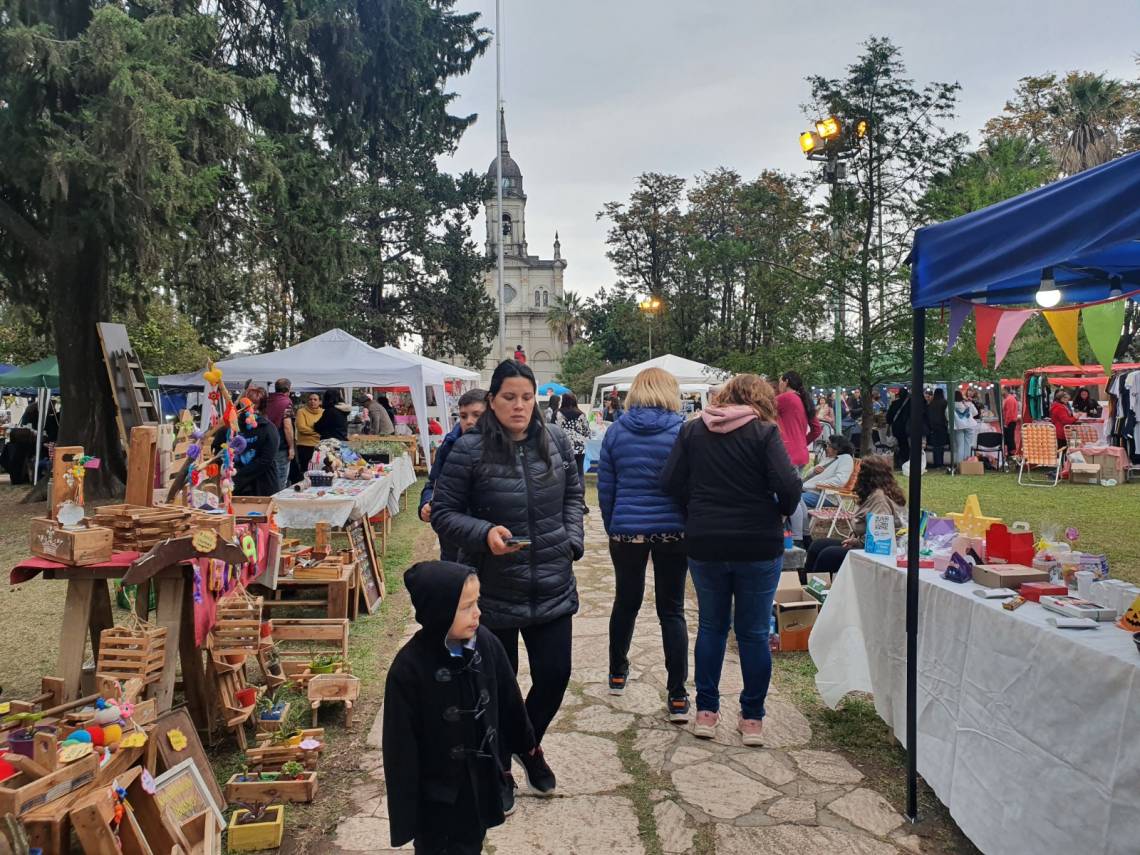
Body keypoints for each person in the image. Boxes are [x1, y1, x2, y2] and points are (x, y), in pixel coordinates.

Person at [431, 360, 583, 798]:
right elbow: (443, 513)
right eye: (509, 397)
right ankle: (500, 768)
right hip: (492, 589)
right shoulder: (468, 449)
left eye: (526, 397)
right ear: (493, 400)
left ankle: (527, 747)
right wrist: (484, 533)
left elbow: (574, 497)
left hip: (553, 582)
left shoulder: (554, 440)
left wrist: (571, 541)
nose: (519, 406)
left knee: (554, 675)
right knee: (498, 687)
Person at [662, 374, 801, 746]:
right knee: (753, 633)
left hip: (706, 540)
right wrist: (780, 511)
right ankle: (752, 717)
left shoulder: (693, 432)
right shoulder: (764, 433)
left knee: (711, 627)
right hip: (757, 542)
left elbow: (671, 481)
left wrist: (695, 509)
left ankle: (706, 711)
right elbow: (789, 485)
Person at [383, 561, 535, 853]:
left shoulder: (486, 644)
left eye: (476, 602)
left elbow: (509, 698)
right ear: (438, 609)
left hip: (478, 782)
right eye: (466, 606)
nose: (477, 612)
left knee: (471, 842)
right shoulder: (408, 669)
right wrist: (406, 814)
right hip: (435, 797)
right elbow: (398, 747)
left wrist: (526, 746)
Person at [597, 368, 689, 721]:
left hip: (627, 531)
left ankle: (617, 670)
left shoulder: (616, 432)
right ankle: (678, 694)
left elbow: (607, 488)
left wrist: (613, 526)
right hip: (672, 531)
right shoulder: (683, 431)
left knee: (626, 601)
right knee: (672, 610)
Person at [801, 456, 907, 581]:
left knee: (828, 555)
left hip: (880, 551)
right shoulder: (872, 494)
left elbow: (880, 536)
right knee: (818, 545)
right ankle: (803, 586)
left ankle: (819, 589)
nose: (855, 475)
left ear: (867, 476)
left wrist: (858, 542)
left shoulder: (880, 500)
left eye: (859, 472)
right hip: (866, 544)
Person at [419, 389, 487, 560]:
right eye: (463, 416)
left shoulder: (503, 449)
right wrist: (426, 504)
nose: (469, 421)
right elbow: (432, 484)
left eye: (477, 415)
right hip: (452, 538)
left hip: (486, 538)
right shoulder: (448, 445)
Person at [222, 386, 281, 496]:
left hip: (263, 485)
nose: (249, 407)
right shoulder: (234, 426)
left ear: (261, 406)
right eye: (246, 403)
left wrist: (239, 475)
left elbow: (266, 459)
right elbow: (220, 448)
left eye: (255, 403)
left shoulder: (268, 428)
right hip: (236, 486)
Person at [775, 371, 821, 469]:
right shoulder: (805, 401)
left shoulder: (785, 398)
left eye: (779, 382)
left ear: (786, 381)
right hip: (801, 455)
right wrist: (802, 442)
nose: (779, 386)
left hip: (786, 455)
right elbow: (817, 429)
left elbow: (760, 410)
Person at [554, 393, 590, 514]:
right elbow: (587, 431)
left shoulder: (558, 414)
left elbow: (554, 429)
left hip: (563, 447)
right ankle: (581, 502)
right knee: (579, 472)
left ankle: (563, 500)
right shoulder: (581, 414)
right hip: (579, 448)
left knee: (563, 472)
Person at [265, 379, 296, 488]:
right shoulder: (286, 402)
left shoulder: (267, 400)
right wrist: (291, 447)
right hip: (280, 445)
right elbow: (287, 427)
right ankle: (276, 503)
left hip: (266, 444)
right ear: (289, 388)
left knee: (268, 477)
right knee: (280, 479)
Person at [295, 392, 323, 473]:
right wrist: (317, 433)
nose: (312, 401)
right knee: (306, 471)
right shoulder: (301, 411)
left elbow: (326, 429)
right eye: (310, 399)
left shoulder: (324, 412)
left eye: (315, 399)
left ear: (320, 402)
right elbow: (301, 428)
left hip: (320, 446)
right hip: (305, 446)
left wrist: (310, 430)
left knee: (319, 470)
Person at [927, 388, 950, 470]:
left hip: (933, 427)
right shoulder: (945, 403)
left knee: (935, 446)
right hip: (942, 426)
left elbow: (928, 416)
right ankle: (941, 463)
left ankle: (937, 463)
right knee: (941, 446)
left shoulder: (931, 404)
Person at [952, 390, 976, 464]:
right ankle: (967, 464)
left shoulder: (951, 405)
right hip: (970, 425)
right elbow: (975, 412)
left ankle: (960, 464)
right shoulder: (967, 404)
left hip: (958, 426)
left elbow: (947, 416)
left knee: (960, 445)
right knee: (968, 444)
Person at [1002, 388, 1020, 457]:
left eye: (1003, 390)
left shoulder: (1009, 399)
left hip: (1010, 422)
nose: (1002, 392)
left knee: (1010, 439)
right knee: (1010, 438)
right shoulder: (1010, 399)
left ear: (1006, 391)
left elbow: (1009, 413)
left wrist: (1006, 423)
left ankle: (1011, 455)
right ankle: (1010, 454)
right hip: (1010, 421)